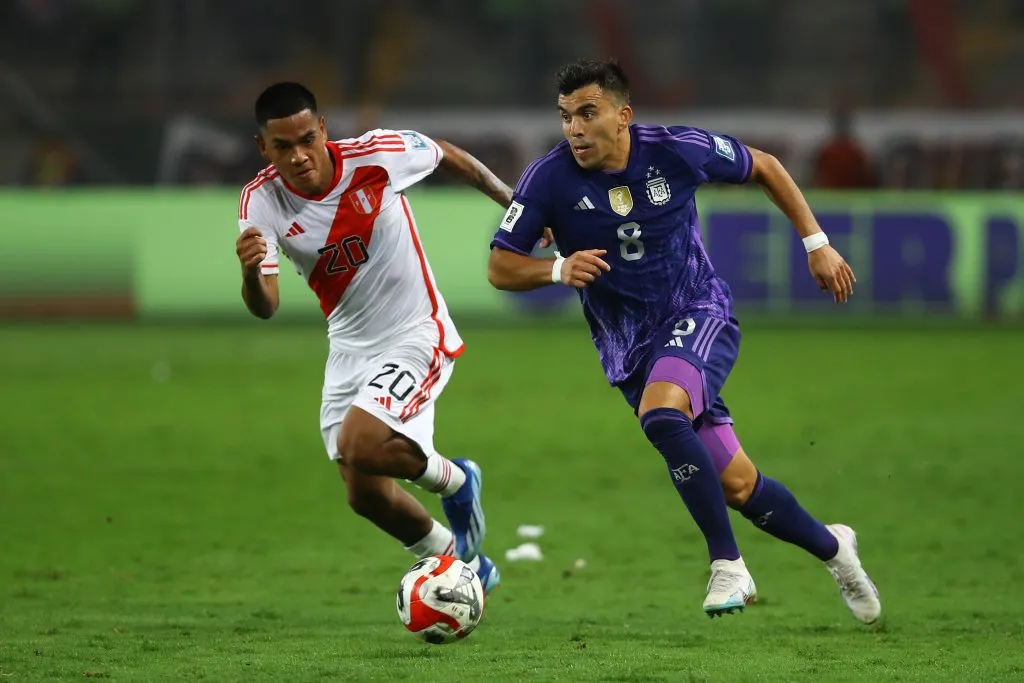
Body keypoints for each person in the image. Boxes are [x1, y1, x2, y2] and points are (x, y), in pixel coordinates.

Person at [486, 58, 881, 622]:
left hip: (699, 310)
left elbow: (765, 167)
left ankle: (728, 564)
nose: (574, 128)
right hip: (631, 349)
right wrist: (556, 270)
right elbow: (501, 267)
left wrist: (816, 242)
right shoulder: (548, 179)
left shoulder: (677, 149)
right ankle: (836, 550)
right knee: (741, 487)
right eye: (566, 116)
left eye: (587, 114)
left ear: (623, 116)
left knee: (663, 415)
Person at [235, 82, 510, 591]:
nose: (298, 156)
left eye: (305, 140)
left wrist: (516, 208)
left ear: (322, 130)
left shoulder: (378, 155)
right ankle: (464, 565)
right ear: (263, 148)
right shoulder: (261, 201)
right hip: (348, 349)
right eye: (282, 147)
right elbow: (266, 306)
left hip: (415, 332)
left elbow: (449, 156)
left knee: (360, 444)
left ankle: (455, 478)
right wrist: (251, 275)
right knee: (364, 494)